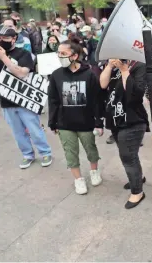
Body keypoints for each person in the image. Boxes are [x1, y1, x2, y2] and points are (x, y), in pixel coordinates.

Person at [0, 26, 53, 169]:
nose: (2, 41)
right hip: (6, 101)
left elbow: (22, 73)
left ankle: (45, 152)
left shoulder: (23, 54)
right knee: (18, 132)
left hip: (25, 100)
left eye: (6, 38)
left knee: (34, 129)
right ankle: (28, 155)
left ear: (14, 39)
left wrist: (4, 58)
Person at [48, 39, 104, 195]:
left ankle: (94, 172)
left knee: (91, 149)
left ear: (74, 55)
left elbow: (97, 100)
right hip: (65, 123)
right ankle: (78, 180)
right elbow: (52, 100)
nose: (60, 56)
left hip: (86, 123)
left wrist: (99, 122)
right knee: (70, 153)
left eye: (63, 53)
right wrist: (53, 122)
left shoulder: (90, 74)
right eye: (58, 53)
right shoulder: (56, 75)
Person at [100, 59, 149, 208]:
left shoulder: (139, 66)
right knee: (130, 155)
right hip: (115, 119)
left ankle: (137, 192)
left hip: (132, 120)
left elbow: (135, 94)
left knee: (127, 156)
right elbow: (103, 84)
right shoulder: (113, 65)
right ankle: (138, 178)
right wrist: (109, 65)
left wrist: (124, 70)